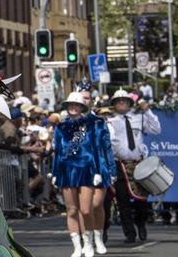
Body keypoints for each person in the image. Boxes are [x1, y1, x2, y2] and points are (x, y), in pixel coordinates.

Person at [53, 91, 114, 257]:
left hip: (86, 170)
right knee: (72, 210)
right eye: (70, 105)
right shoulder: (60, 127)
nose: (73, 107)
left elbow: (96, 148)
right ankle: (77, 246)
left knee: (87, 209)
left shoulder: (92, 125)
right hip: (66, 171)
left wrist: (98, 171)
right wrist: (54, 172)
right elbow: (58, 151)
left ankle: (91, 241)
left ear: (82, 107)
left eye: (77, 105)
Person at [106, 89, 161, 243]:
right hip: (120, 164)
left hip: (138, 164)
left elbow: (156, 129)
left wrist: (148, 111)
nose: (122, 103)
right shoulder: (109, 121)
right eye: (119, 101)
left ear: (130, 103)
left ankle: (141, 223)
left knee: (141, 201)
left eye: (125, 100)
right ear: (114, 105)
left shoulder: (139, 118)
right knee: (122, 201)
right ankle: (129, 233)